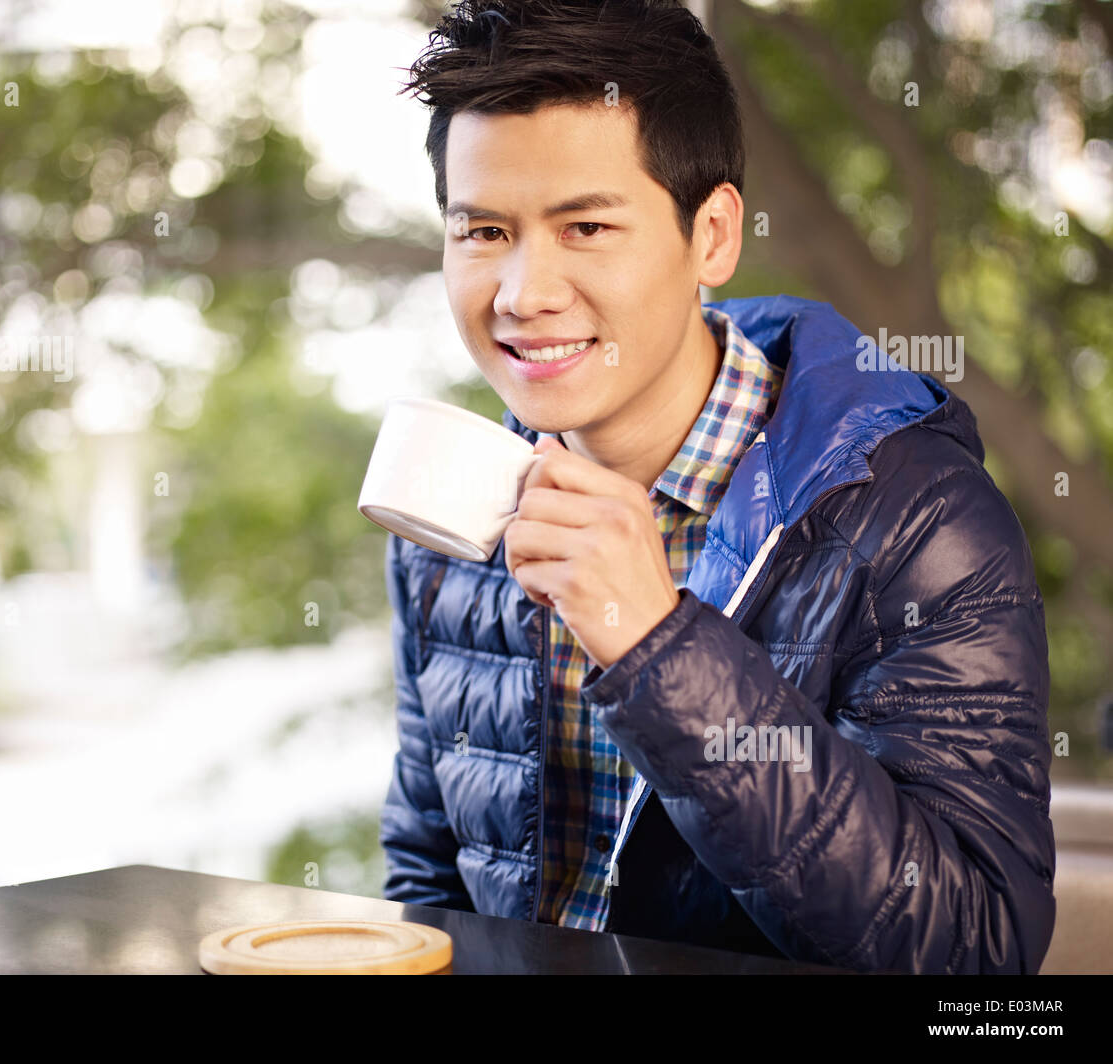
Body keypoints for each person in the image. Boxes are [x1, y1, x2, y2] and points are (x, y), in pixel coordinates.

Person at [377, 0, 1055, 974]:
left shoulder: (914, 516)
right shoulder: (455, 508)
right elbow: (426, 885)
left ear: (714, 236)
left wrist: (656, 648)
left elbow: (971, 951)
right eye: (484, 230)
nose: (523, 292)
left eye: (586, 226)